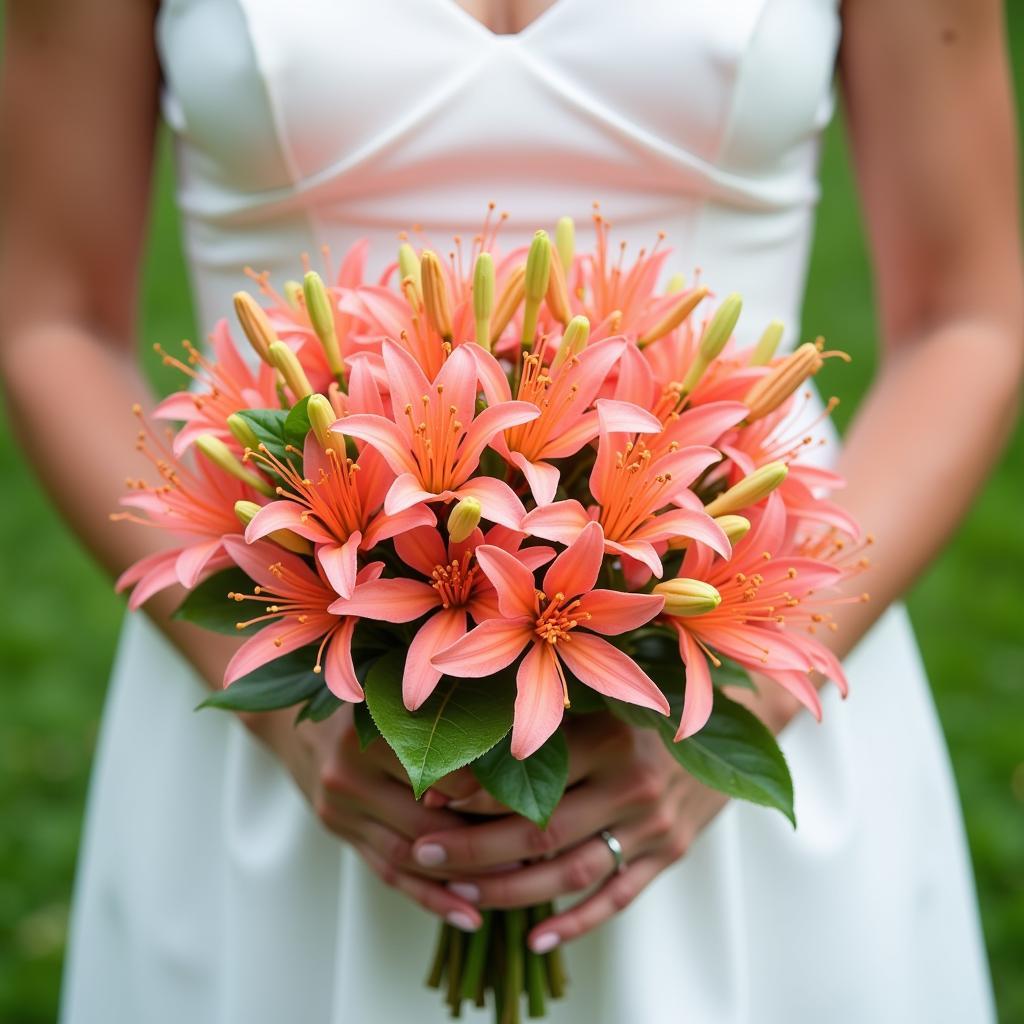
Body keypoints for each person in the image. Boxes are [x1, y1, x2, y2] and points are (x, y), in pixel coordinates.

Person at [1, 1, 1020, 1021]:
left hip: (748, 618)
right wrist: (286, 722)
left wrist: (746, 717)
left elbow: (968, 316)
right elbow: (50, 321)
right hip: (291, 636)